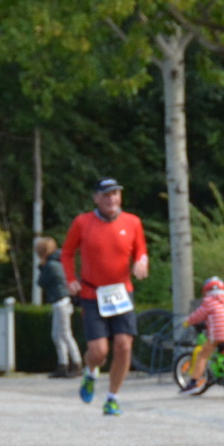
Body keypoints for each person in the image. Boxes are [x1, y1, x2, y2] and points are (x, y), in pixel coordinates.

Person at [60, 177, 148, 417]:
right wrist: (71, 279)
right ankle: (90, 373)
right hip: (92, 293)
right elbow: (67, 253)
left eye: (116, 194)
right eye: (107, 195)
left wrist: (142, 261)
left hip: (121, 292)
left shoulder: (132, 222)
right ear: (96, 198)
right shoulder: (82, 222)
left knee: (124, 345)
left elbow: (140, 249)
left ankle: (112, 398)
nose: (112, 199)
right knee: (99, 352)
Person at [180, 275, 224, 396]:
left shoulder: (209, 301)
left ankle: (193, 384)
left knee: (202, 355)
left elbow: (199, 315)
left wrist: (188, 321)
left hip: (217, 333)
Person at [34, 235, 81, 378]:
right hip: (63, 302)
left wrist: (41, 267)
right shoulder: (58, 262)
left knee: (65, 335)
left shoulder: (50, 265)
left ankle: (76, 364)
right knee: (58, 335)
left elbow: (41, 283)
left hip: (61, 302)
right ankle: (63, 364)